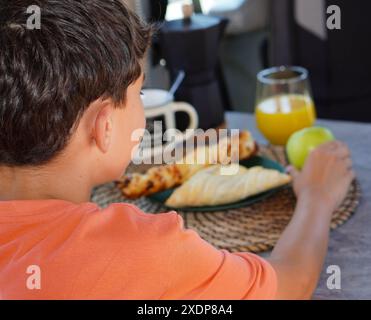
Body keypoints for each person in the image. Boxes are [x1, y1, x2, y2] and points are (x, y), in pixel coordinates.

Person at [0, 0, 354, 299]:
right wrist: (317, 198)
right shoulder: (139, 249)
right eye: (138, 94)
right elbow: (288, 284)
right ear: (104, 126)